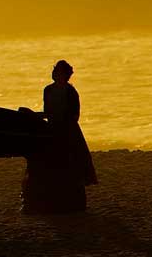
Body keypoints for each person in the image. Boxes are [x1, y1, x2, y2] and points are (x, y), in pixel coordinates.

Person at [21, 60, 97, 214]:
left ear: (64, 74)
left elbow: (75, 115)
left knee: (72, 163)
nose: (54, 73)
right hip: (52, 128)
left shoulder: (71, 92)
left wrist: (61, 123)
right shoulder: (47, 90)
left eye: (57, 70)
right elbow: (48, 112)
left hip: (68, 130)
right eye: (54, 70)